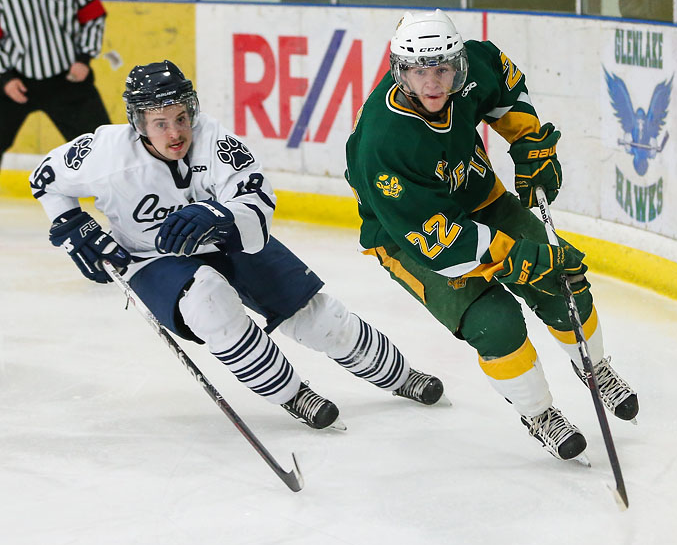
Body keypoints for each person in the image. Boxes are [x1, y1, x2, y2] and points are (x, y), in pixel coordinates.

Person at [29, 60, 444, 431]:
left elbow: (258, 200)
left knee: (314, 315)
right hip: (151, 257)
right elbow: (44, 178)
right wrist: (72, 224)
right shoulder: (104, 154)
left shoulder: (213, 139)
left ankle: (400, 375)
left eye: (181, 118)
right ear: (138, 123)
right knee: (210, 303)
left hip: (223, 239)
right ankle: (292, 394)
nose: (175, 133)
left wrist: (219, 215)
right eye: (160, 123)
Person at [345, 9, 639, 463]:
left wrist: (528, 142)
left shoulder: (473, 66)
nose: (433, 83)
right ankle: (540, 414)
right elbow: (445, 246)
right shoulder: (383, 145)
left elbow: (503, 85)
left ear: (458, 63)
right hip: (410, 237)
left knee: (562, 282)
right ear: (400, 71)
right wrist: (522, 257)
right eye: (420, 72)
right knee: (495, 323)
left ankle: (595, 366)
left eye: (443, 69)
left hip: (479, 196)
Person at [0, 0, 111, 169]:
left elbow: (94, 15)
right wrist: (4, 77)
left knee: (101, 147)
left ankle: (113, 187)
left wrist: (84, 58)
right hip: (15, 81)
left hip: (68, 79)